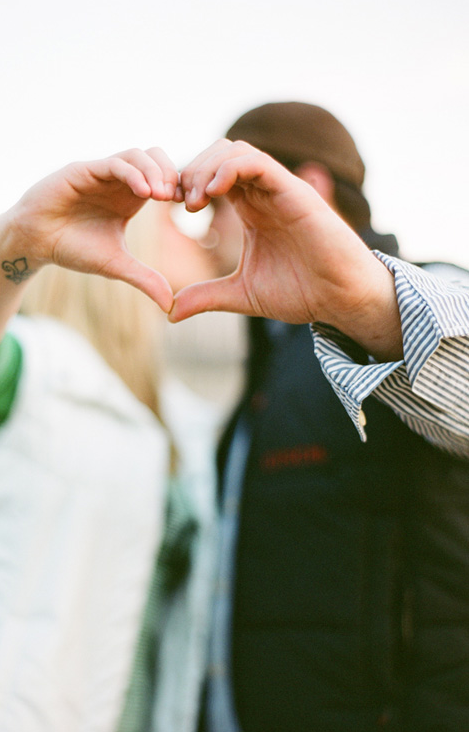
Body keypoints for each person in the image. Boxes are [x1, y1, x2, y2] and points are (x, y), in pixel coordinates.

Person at [169, 104, 469, 732]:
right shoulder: (274, 356)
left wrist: (370, 308)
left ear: (309, 188)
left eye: (220, 202)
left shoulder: (425, 292)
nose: (205, 231)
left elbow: (450, 351)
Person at [0, 152, 218, 732]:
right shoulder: (32, 375)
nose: (199, 228)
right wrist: (17, 242)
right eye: (175, 220)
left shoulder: (187, 424)